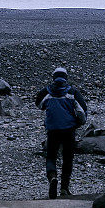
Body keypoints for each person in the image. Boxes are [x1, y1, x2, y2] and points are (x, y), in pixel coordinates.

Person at [35, 67, 87, 199]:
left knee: (51, 156)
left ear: (53, 78)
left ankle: (52, 177)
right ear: (66, 77)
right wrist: (79, 123)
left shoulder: (48, 92)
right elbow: (82, 112)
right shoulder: (72, 92)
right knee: (68, 158)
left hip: (52, 130)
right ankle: (64, 188)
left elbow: (39, 104)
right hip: (69, 130)